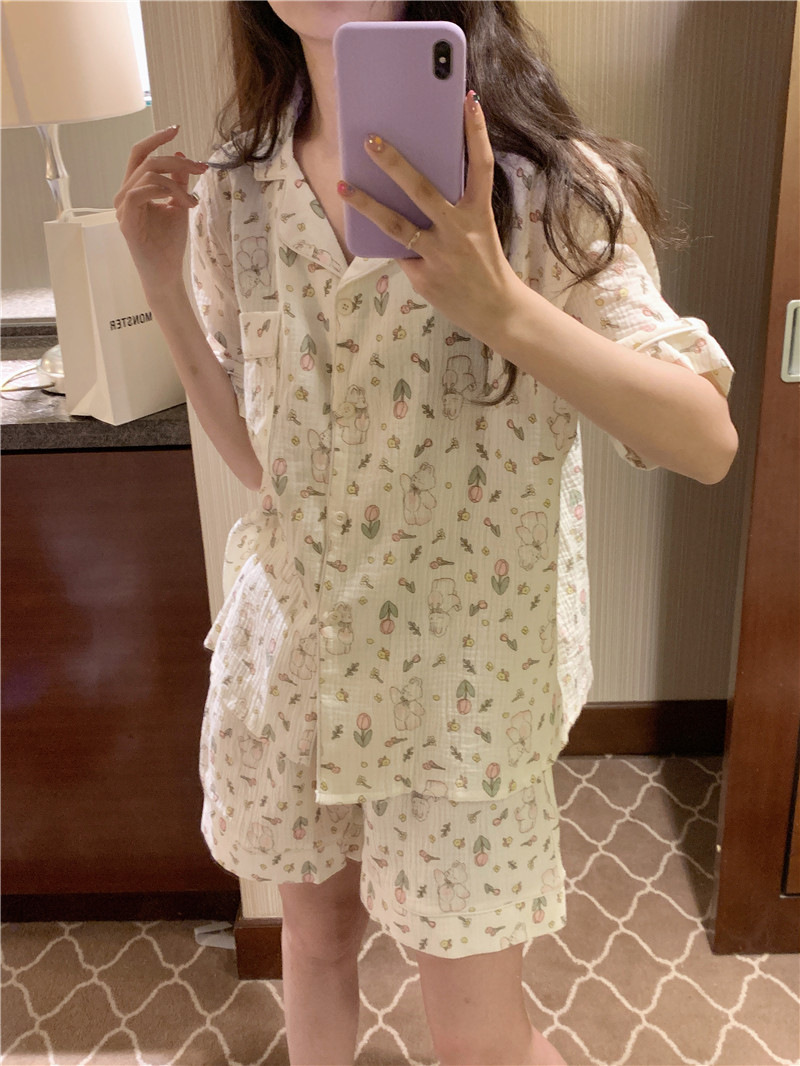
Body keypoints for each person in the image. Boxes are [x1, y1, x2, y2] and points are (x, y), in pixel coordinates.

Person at [115, 2, 738, 1063]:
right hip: (301, 662)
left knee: (477, 1035)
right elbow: (268, 471)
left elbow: (704, 439)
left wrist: (500, 305)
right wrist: (158, 277)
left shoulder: (539, 189)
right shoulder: (239, 193)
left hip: (460, 693)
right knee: (315, 945)